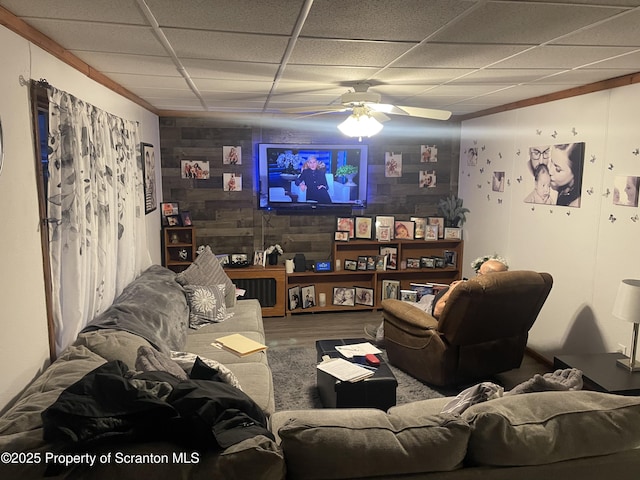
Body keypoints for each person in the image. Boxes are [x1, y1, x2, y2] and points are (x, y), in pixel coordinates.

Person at [364, 258, 509, 346]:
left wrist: (453, 289)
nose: (476, 275)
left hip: (432, 311)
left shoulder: (475, 295)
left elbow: (438, 311)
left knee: (394, 306)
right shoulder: (504, 293)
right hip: (434, 299)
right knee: (425, 297)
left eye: (479, 273)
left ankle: (381, 338)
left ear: (488, 278)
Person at [549, 143, 584, 207]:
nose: (550, 171)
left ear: (575, 172)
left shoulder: (575, 204)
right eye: (551, 162)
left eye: (558, 169)